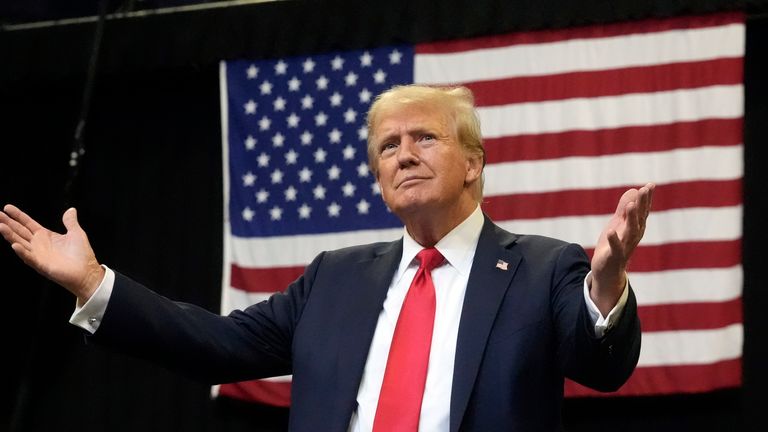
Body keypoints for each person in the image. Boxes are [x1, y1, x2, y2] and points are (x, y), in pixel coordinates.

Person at [0, 84, 654, 432]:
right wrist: (92, 281)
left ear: (474, 165)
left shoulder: (543, 269)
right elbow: (218, 345)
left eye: (425, 136)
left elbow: (601, 363)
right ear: (378, 179)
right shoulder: (335, 279)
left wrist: (607, 286)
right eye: (388, 145)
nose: (403, 153)